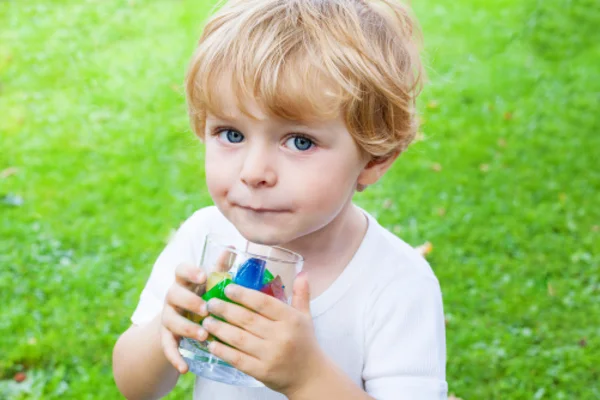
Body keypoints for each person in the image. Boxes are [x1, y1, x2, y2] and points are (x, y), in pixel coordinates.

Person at [112, 0, 447, 398]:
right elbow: (136, 390)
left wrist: (307, 377)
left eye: (300, 141)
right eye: (231, 134)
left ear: (374, 160)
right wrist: (165, 328)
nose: (253, 172)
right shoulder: (204, 237)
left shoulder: (396, 283)